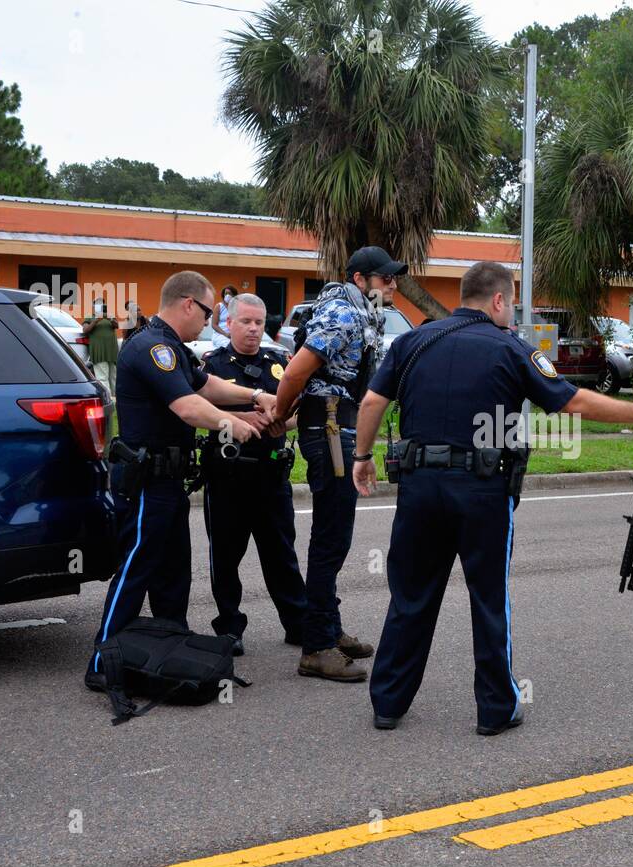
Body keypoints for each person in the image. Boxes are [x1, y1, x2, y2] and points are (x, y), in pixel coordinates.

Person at [351, 261, 633, 735]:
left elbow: (373, 402)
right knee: (488, 599)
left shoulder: (413, 342)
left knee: (411, 597)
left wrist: (362, 456)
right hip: (481, 490)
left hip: (418, 488)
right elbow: (572, 402)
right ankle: (496, 709)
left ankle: (388, 704)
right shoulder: (511, 348)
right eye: (512, 301)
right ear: (499, 300)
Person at [85, 271, 278, 689]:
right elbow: (189, 406)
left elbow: (205, 385)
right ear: (188, 304)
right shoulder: (153, 347)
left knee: (174, 575)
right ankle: (102, 662)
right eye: (209, 313)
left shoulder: (174, 347)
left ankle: (168, 651)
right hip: (147, 481)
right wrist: (233, 424)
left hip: (169, 482)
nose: (210, 322)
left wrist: (255, 398)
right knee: (136, 570)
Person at [271, 247, 401, 681]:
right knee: (329, 537)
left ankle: (329, 627)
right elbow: (294, 373)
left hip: (341, 427)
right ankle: (316, 646)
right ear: (362, 278)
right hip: (328, 428)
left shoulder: (362, 313)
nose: (393, 286)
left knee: (336, 535)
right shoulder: (343, 315)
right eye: (386, 279)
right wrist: (277, 417)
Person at [199, 293, 305, 657]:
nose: (253, 329)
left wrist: (280, 420)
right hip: (227, 475)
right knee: (225, 557)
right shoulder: (211, 364)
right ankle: (229, 627)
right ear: (229, 323)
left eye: (259, 323)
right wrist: (240, 419)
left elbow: (298, 411)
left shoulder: (280, 362)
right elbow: (199, 405)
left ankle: (297, 623)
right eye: (246, 321)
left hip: (271, 473)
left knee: (281, 554)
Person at [82, 298, 119, 395]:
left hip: (111, 351)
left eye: (101, 304)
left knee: (114, 376)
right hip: (99, 351)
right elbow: (85, 330)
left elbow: (116, 325)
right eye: (97, 304)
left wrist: (108, 317)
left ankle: (116, 397)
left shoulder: (109, 316)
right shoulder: (90, 317)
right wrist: (95, 321)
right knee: (102, 377)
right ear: (93, 307)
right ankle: (108, 398)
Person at [211, 285, 239, 351]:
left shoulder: (237, 307)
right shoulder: (219, 306)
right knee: (227, 347)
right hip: (220, 335)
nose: (227, 295)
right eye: (226, 293)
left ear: (234, 295)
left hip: (233, 336)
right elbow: (214, 325)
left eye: (230, 293)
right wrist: (225, 334)